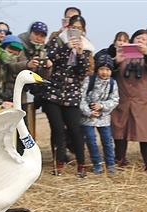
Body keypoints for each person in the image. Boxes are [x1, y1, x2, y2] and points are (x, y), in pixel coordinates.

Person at [44, 15, 93, 177]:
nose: (76, 31)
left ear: (84, 31)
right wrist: (66, 47)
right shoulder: (57, 41)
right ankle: (58, 165)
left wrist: (79, 54)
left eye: (80, 28)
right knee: (58, 130)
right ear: (67, 28)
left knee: (75, 130)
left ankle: (81, 165)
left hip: (72, 94)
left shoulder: (86, 47)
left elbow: (83, 71)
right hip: (54, 93)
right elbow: (49, 58)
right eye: (74, 28)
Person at [111, 29, 147, 172]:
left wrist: (146, 53)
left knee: (146, 134)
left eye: (143, 39)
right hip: (123, 99)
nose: (140, 41)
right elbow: (108, 71)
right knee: (120, 131)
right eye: (137, 38)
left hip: (143, 101)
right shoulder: (122, 55)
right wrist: (116, 61)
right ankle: (119, 160)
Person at [80, 54, 119, 175]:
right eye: (102, 69)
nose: (104, 72)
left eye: (108, 70)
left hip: (104, 117)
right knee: (91, 140)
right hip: (88, 117)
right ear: (97, 69)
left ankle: (110, 163)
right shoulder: (89, 80)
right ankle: (97, 163)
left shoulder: (113, 83)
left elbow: (115, 100)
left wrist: (101, 106)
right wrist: (88, 112)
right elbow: (81, 98)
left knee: (107, 141)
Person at [18, 21, 53, 137]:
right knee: (20, 123)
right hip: (17, 89)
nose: (39, 38)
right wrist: (28, 64)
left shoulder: (43, 50)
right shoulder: (18, 44)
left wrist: (48, 67)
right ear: (30, 33)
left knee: (29, 125)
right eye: (36, 34)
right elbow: (12, 66)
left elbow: (44, 77)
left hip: (35, 90)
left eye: (42, 35)